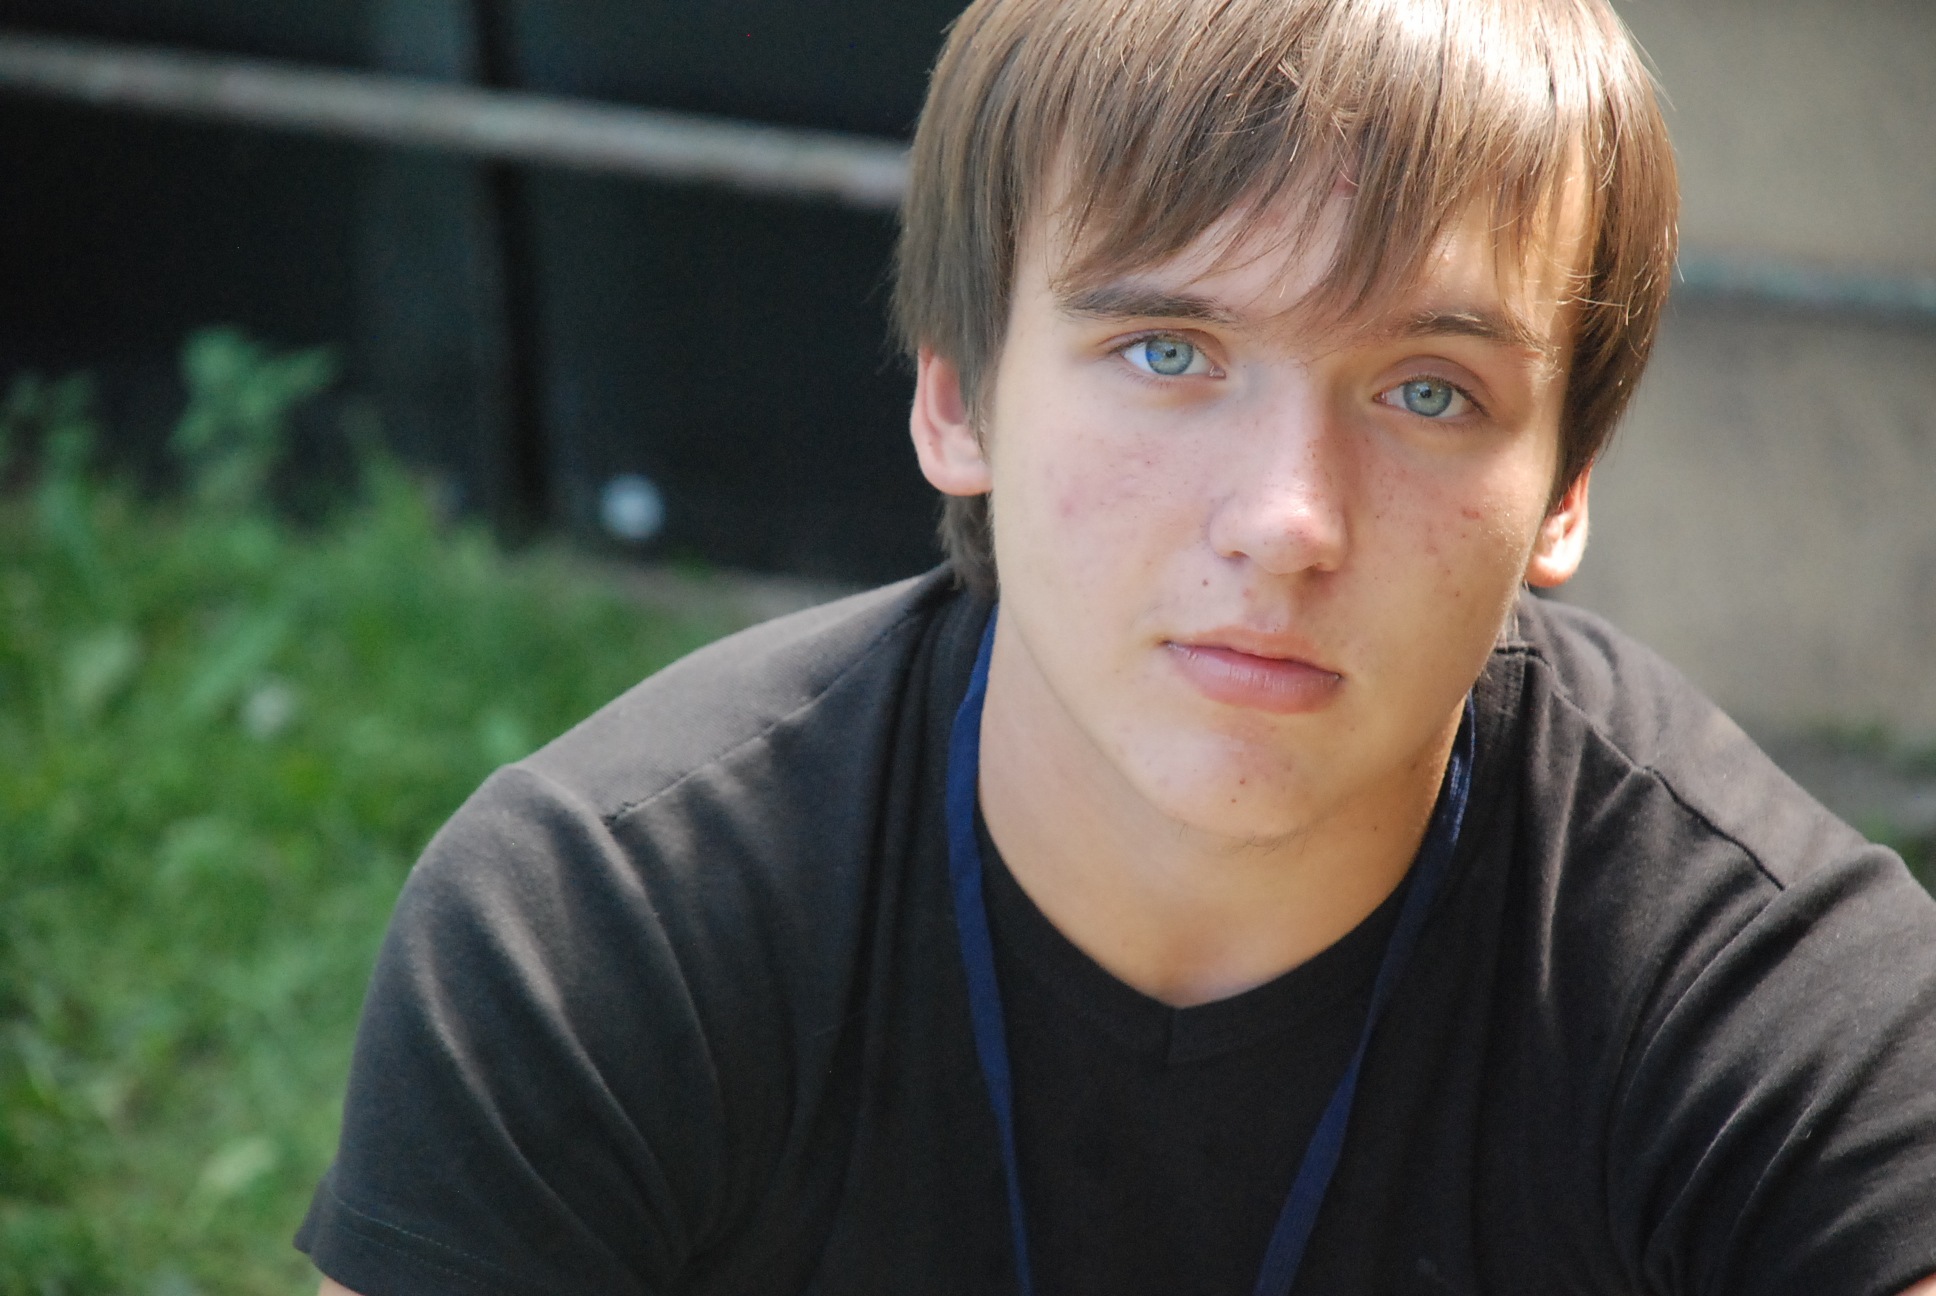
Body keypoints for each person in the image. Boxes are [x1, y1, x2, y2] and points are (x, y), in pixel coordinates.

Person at [298, 0, 1936, 1291]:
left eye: (1430, 390)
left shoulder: (1775, 1011)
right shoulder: (603, 931)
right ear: (958, 397)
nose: (1288, 520)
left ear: (1565, 487)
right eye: (1169, 349)